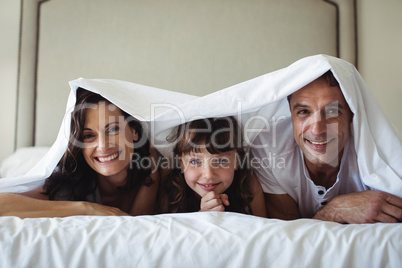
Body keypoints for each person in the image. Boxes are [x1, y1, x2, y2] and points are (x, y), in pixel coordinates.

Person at [251, 71, 402, 223]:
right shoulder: (269, 147)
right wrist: (334, 211)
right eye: (303, 112)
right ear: (291, 113)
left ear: (352, 114)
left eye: (332, 112)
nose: (317, 130)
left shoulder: (381, 146)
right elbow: (287, 236)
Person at [0, 88, 160, 218]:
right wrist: (85, 208)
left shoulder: (159, 168)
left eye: (112, 129)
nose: (103, 146)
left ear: (134, 132)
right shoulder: (69, 184)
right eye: (88, 136)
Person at [159, 116, 267, 217]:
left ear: (237, 161)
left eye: (220, 161)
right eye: (195, 161)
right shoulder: (169, 187)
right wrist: (203, 216)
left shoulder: (247, 185)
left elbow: (262, 232)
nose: (208, 175)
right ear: (181, 164)